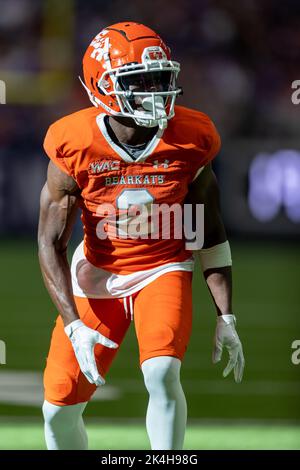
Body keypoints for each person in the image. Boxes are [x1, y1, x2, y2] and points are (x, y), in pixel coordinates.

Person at [38, 21, 245, 451]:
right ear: (102, 87)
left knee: (162, 372)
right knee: (58, 408)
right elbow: (51, 243)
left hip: (164, 265)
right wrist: (74, 325)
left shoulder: (192, 136)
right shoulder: (74, 141)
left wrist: (226, 316)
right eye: (140, 82)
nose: (156, 92)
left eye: (161, 79)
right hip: (97, 272)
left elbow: (209, 228)